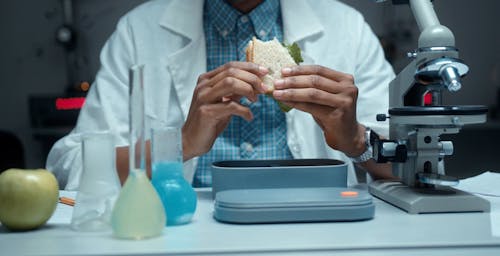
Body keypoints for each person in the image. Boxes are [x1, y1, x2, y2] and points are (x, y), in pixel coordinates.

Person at [47, 0, 395, 190]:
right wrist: (180, 144)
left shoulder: (347, 28)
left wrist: (356, 141)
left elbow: (417, 165)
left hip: (318, 232)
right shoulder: (138, 31)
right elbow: (73, 166)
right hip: (186, 236)